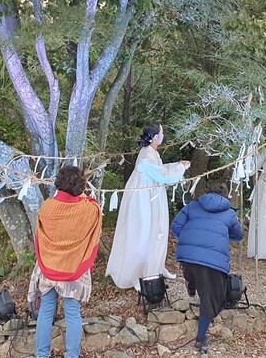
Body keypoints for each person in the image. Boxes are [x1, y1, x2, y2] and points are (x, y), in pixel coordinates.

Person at [27, 166, 102, 358]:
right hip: (74, 268)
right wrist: (84, 197)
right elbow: (94, 207)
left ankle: (42, 355)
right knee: (73, 313)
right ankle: (72, 356)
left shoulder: (47, 207)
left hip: (49, 266)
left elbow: (39, 237)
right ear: (81, 185)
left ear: (59, 182)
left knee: (46, 311)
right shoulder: (89, 209)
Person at [106, 122, 190, 290]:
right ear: (155, 136)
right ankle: (138, 273)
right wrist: (180, 167)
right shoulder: (146, 156)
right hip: (142, 201)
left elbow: (160, 170)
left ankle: (156, 266)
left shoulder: (151, 153)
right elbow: (162, 176)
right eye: (162, 132)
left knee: (156, 231)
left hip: (152, 196)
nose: (163, 135)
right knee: (143, 232)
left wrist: (176, 165)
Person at [171, 183, 244, 353]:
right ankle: (200, 339)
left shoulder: (192, 205)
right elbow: (239, 235)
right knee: (211, 298)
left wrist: (190, 239)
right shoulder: (229, 213)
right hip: (213, 261)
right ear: (226, 197)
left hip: (188, 257)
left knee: (194, 269)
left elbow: (175, 226)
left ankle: (191, 283)